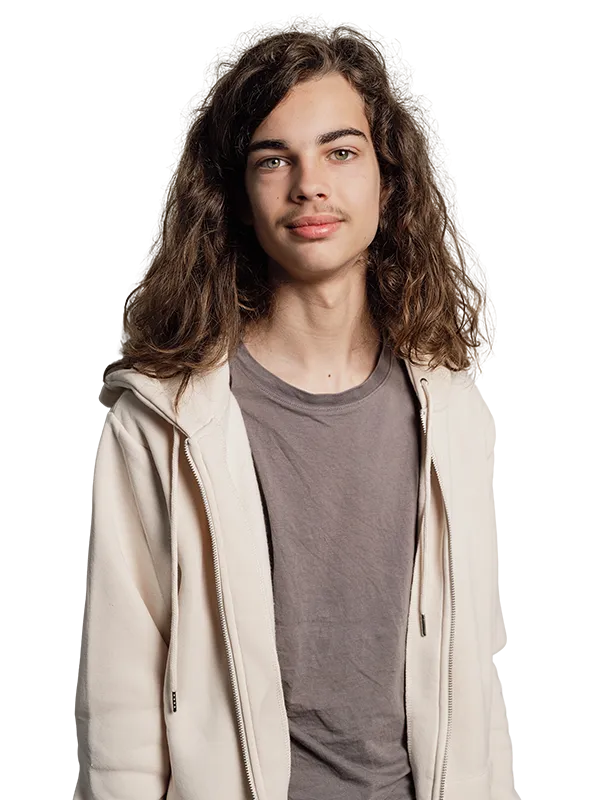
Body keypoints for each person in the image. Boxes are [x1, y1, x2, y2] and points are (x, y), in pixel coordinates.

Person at [76, 18, 518, 800]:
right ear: (238, 197)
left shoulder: (453, 408)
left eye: (340, 152)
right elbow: (122, 700)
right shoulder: (161, 421)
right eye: (273, 159)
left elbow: (473, 676)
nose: (309, 184)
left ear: (388, 181)